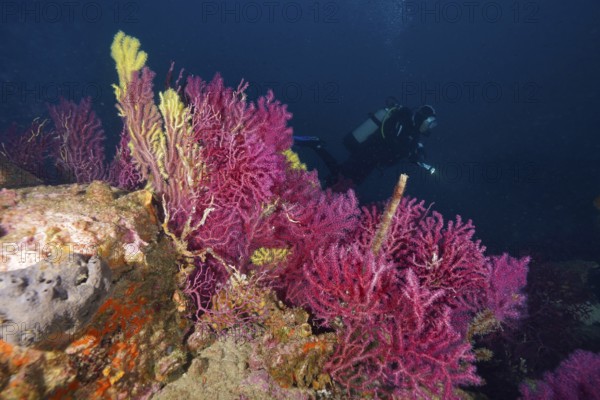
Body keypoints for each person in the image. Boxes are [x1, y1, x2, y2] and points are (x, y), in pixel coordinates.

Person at [296, 99, 438, 190]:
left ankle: (319, 189)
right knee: (340, 175)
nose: (430, 127)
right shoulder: (402, 119)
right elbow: (388, 138)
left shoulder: (413, 132)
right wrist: (408, 152)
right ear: (422, 119)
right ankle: (315, 146)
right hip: (367, 153)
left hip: (374, 161)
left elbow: (405, 148)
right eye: (429, 123)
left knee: (349, 183)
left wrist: (416, 153)